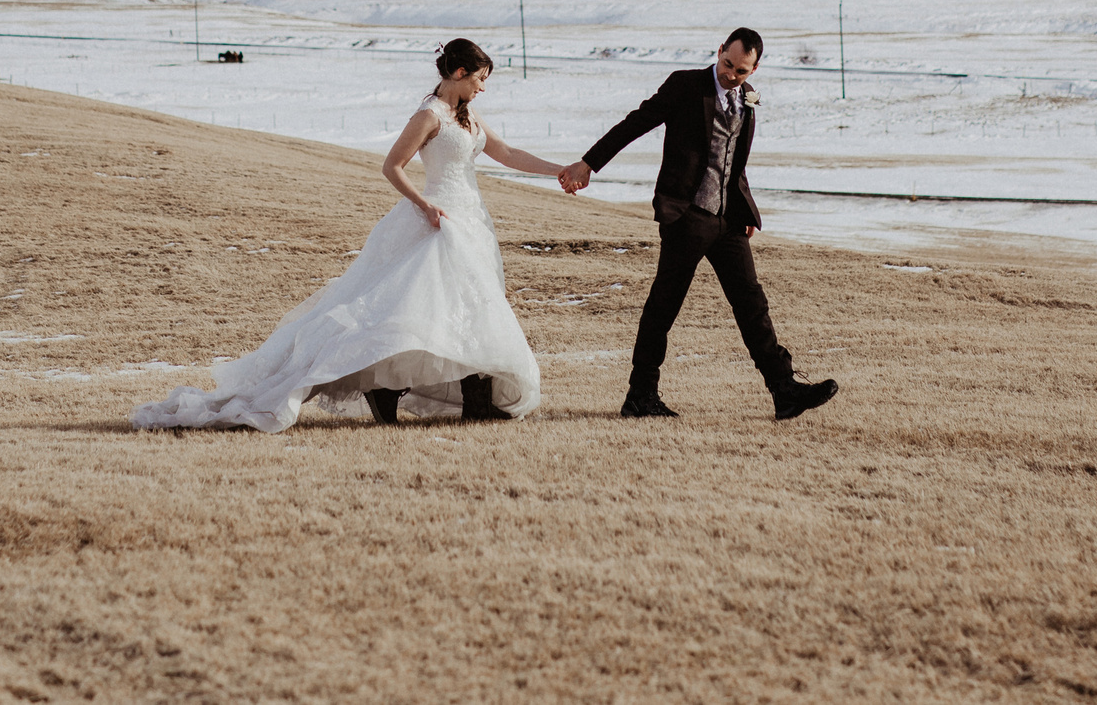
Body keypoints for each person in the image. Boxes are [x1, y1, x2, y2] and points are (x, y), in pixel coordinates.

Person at [132, 38, 567, 432]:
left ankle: (469, 399)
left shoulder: (467, 116)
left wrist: (560, 170)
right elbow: (392, 167)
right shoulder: (429, 115)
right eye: (480, 79)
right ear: (459, 74)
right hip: (437, 219)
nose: (483, 88)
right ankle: (392, 387)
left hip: (471, 220)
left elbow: (507, 153)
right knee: (408, 310)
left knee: (471, 307)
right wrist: (424, 204)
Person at [559, 27, 839, 421]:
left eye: (741, 71)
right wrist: (588, 164)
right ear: (720, 50)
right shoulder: (685, 85)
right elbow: (635, 123)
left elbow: (733, 162)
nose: (731, 75)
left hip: (728, 221)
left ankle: (784, 390)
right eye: (727, 64)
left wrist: (745, 210)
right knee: (664, 305)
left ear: (754, 68)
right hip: (687, 215)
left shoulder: (747, 98)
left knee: (751, 304)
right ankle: (641, 395)